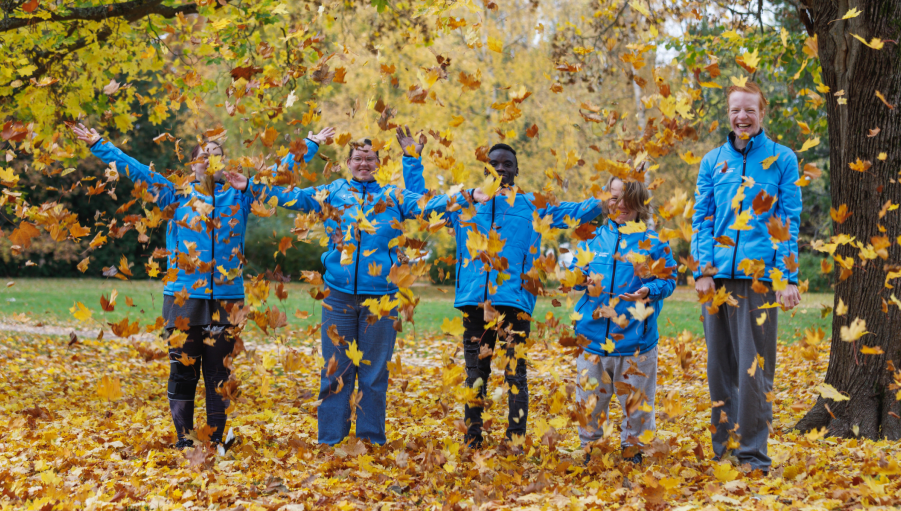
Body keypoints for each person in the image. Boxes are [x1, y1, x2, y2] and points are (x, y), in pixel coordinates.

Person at [71, 122, 331, 451]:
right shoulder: (174, 195)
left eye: (217, 157)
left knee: (218, 375)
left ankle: (215, 440)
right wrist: (99, 143)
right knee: (183, 370)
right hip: (183, 298)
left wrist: (309, 143)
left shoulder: (241, 192)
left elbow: (278, 174)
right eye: (203, 157)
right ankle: (185, 440)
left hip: (227, 299)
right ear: (191, 165)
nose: (209, 162)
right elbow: (136, 171)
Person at [227, 137, 463, 446]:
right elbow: (287, 195)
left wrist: (462, 192)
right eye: (358, 158)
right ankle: (330, 441)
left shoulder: (392, 195)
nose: (364, 163)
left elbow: (424, 205)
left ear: (379, 164)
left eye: (370, 158)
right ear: (349, 163)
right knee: (335, 373)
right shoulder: (333, 192)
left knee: (374, 376)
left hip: (381, 299)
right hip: (337, 296)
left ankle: (370, 442)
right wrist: (254, 185)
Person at [396, 127, 603, 449]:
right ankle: (472, 438)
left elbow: (578, 212)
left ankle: (516, 439)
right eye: (495, 163)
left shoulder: (534, 205)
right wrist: (411, 159)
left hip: (514, 302)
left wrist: (613, 193)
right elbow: (424, 207)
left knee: (514, 375)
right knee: (475, 375)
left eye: (508, 164)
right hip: (474, 303)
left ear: (517, 170)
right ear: (486, 168)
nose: (502, 169)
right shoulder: (464, 205)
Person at [690, 81, 802, 474]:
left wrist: (788, 278)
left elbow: (788, 221)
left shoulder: (782, 159)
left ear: (762, 113)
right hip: (717, 280)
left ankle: (753, 455)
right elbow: (702, 219)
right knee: (719, 368)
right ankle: (723, 450)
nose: (742, 117)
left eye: (749, 110)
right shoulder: (712, 161)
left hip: (759, 280)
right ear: (728, 113)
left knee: (754, 370)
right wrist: (702, 271)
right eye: (736, 109)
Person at [567, 177, 677, 464]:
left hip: (635, 342)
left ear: (640, 203)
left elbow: (669, 280)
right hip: (592, 340)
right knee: (589, 405)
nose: (620, 204)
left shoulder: (653, 243)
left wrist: (648, 290)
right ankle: (592, 451)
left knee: (637, 407)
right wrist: (581, 279)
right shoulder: (593, 238)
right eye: (614, 197)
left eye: (627, 198)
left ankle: (633, 453)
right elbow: (574, 276)